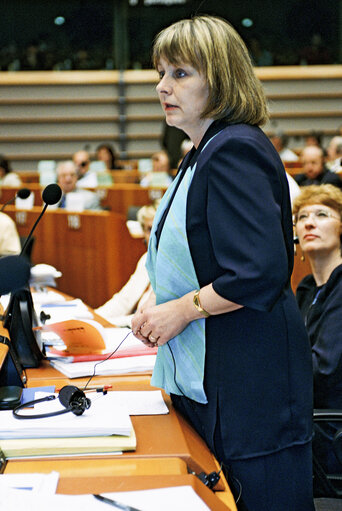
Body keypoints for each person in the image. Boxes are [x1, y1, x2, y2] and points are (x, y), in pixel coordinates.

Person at [131, 15, 314, 511]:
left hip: (251, 382)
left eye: (180, 73)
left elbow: (258, 270)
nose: (162, 86)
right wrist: (156, 301)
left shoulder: (233, 149)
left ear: (222, 78)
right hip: (222, 373)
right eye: (160, 73)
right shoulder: (202, 151)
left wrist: (181, 310)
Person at [293, 185, 342, 475]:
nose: (309, 222)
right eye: (302, 217)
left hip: (330, 431)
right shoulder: (307, 289)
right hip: (309, 418)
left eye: (322, 214)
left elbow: (324, 369)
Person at [95, 205, 156, 327]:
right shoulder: (146, 259)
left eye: (159, 228)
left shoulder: (174, 266)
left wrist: (104, 323)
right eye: (149, 229)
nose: (154, 235)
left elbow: (148, 318)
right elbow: (123, 301)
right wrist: (94, 317)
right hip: (126, 329)